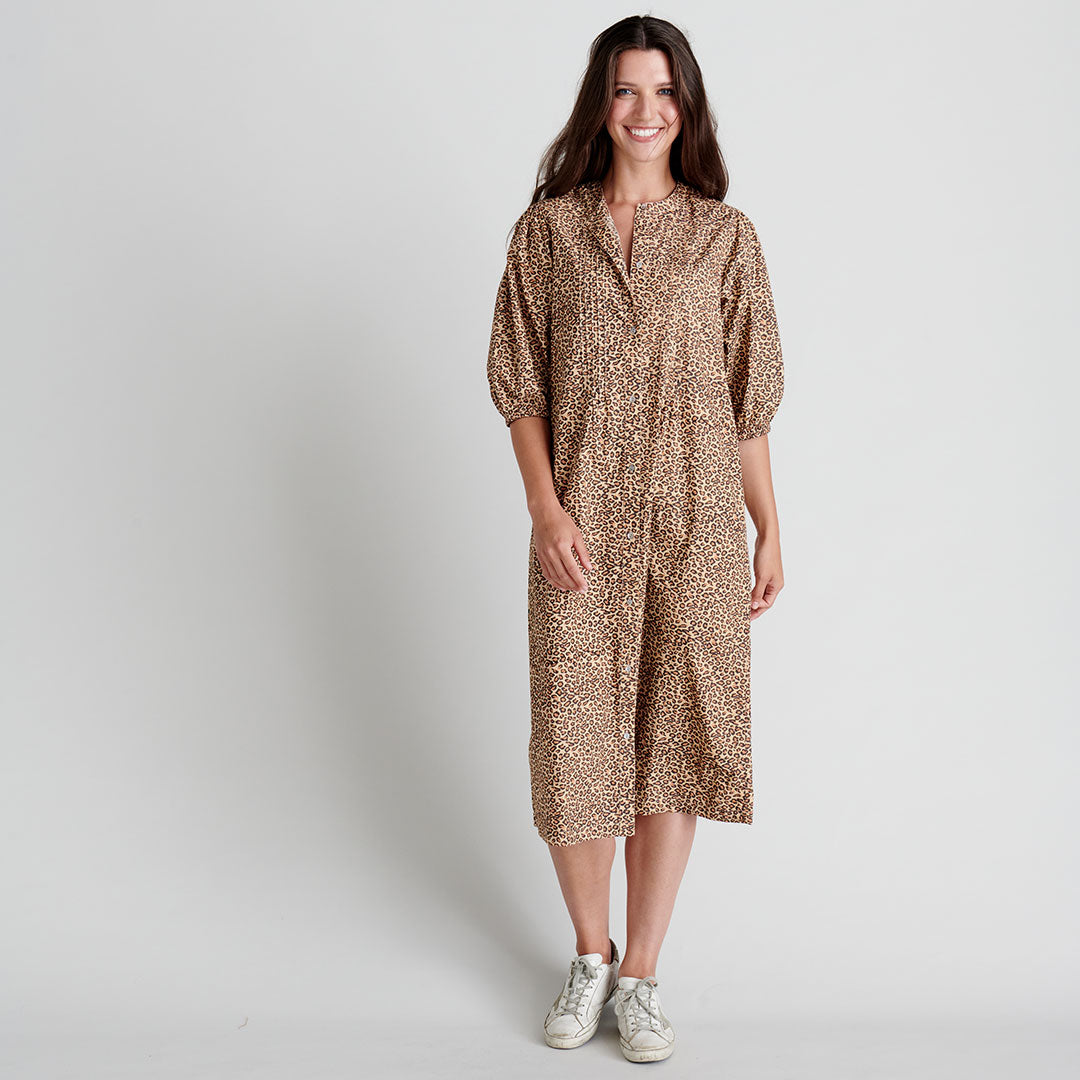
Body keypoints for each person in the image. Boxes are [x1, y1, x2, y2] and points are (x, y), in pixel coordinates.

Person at [486, 15, 785, 1064]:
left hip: (698, 531)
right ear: (600, 104)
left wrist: (769, 527)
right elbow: (520, 387)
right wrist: (545, 508)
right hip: (580, 534)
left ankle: (644, 975)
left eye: (664, 92)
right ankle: (591, 954)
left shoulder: (726, 238)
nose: (646, 110)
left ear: (686, 107)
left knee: (672, 747)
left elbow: (748, 405)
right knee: (574, 743)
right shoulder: (546, 236)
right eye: (626, 90)